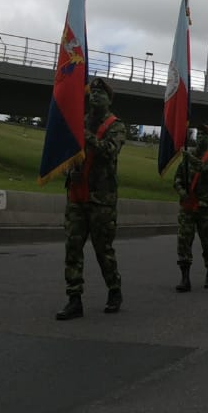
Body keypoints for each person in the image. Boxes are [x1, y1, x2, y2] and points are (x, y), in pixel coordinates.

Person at [55, 77, 127, 320]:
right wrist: (68, 170)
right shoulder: (81, 121)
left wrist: (86, 135)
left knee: (102, 249)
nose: (95, 96)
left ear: (109, 100)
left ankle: (114, 290)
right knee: (73, 248)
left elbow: (109, 151)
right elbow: (69, 152)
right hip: (77, 195)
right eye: (93, 93)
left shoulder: (116, 126)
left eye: (101, 93)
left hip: (101, 200)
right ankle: (74, 299)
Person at [173, 123, 208, 292]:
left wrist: (191, 159)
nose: (200, 138)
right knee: (183, 241)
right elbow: (177, 179)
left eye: (204, 136)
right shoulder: (189, 157)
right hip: (188, 207)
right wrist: (182, 192)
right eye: (198, 135)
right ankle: (185, 277)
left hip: (206, 208)